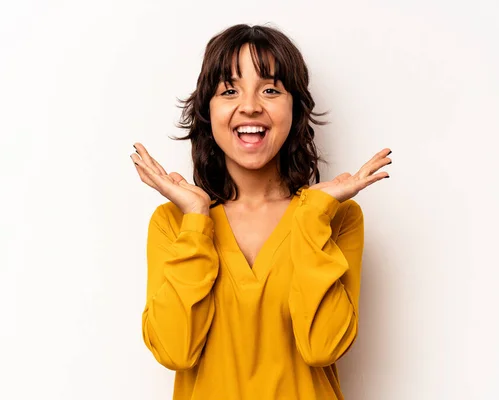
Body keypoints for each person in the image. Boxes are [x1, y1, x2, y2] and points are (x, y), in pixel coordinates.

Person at [131, 23, 392, 400]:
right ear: (207, 109)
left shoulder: (337, 219)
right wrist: (196, 219)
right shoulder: (174, 224)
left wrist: (313, 214)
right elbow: (174, 351)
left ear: (295, 108)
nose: (250, 105)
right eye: (229, 90)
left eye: (270, 89)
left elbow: (323, 348)